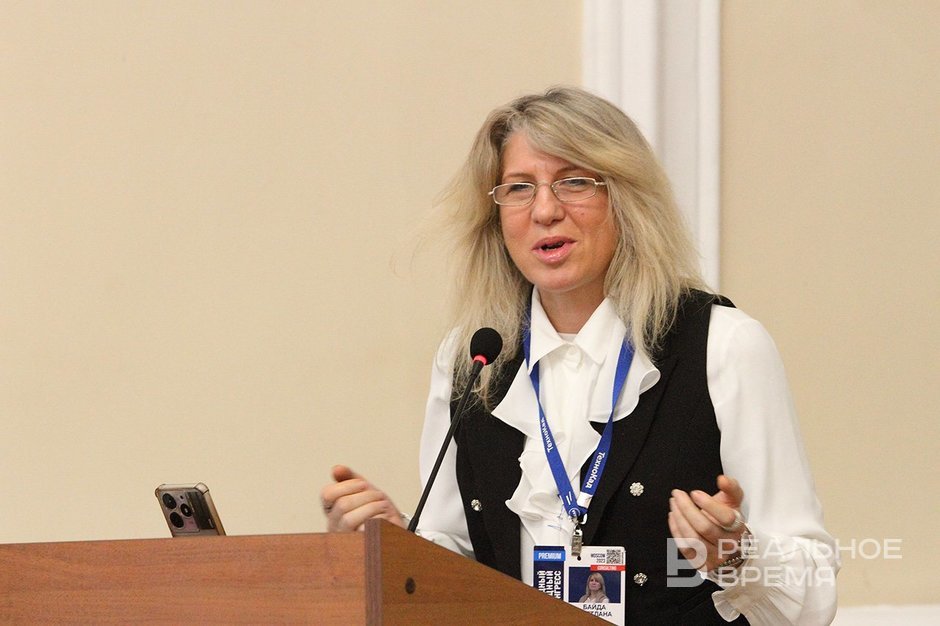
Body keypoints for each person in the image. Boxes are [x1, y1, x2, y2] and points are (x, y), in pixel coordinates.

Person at [320, 87, 839, 624]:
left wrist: (740, 558)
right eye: (519, 188)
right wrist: (393, 546)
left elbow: (814, 591)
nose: (545, 211)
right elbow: (458, 565)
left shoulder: (724, 344)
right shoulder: (471, 358)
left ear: (625, 197)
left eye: (574, 182)